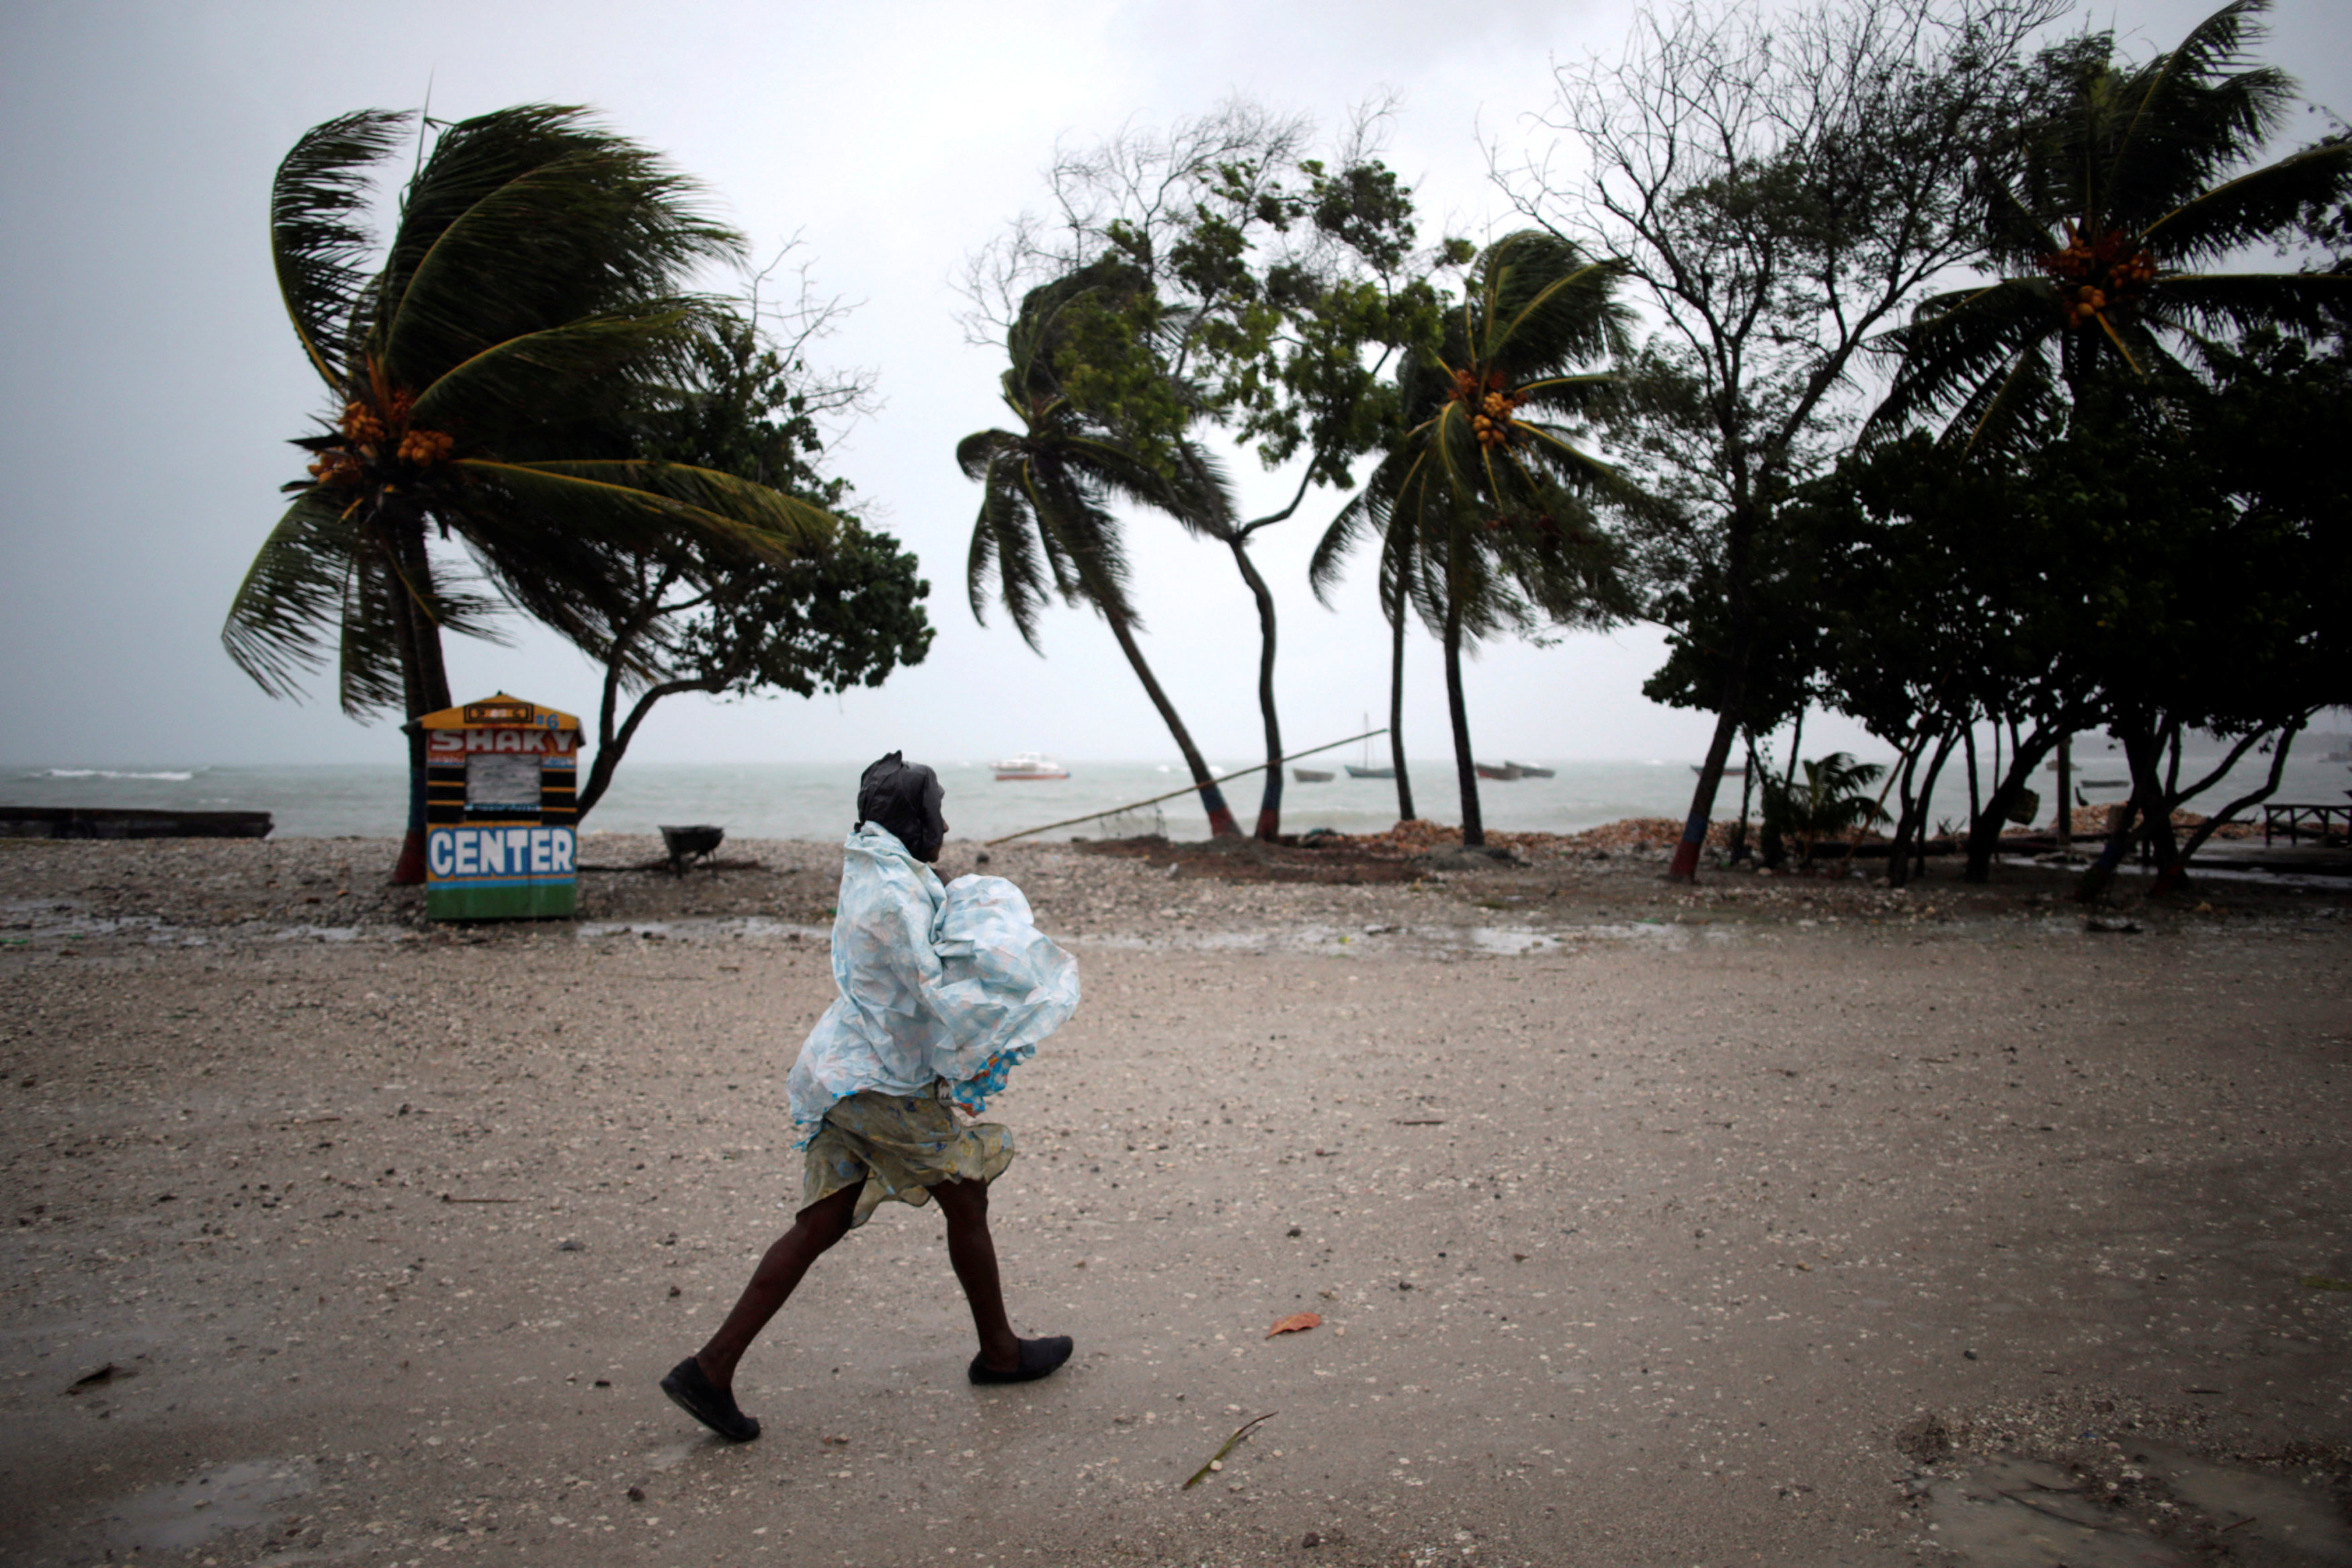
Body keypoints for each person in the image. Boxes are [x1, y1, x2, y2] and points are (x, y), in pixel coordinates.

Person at [659, 752, 1081, 1441]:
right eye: (936, 812)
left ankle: (710, 1369)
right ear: (911, 818)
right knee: (965, 1193)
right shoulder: (891, 890)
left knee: (820, 1223)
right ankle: (1001, 1353)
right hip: (878, 1082)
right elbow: (932, 984)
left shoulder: (882, 873)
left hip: (843, 1074)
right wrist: (999, 972)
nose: (944, 823)